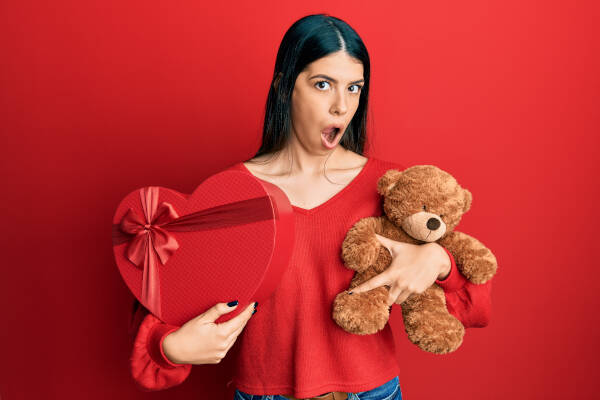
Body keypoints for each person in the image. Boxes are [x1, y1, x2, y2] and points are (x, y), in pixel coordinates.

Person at [128, 14, 493, 400]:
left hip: (371, 393)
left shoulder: (392, 187)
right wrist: (171, 348)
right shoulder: (232, 194)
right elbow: (162, 309)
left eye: (354, 88)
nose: (341, 106)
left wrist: (437, 260)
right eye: (323, 85)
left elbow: (476, 303)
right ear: (284, 87)